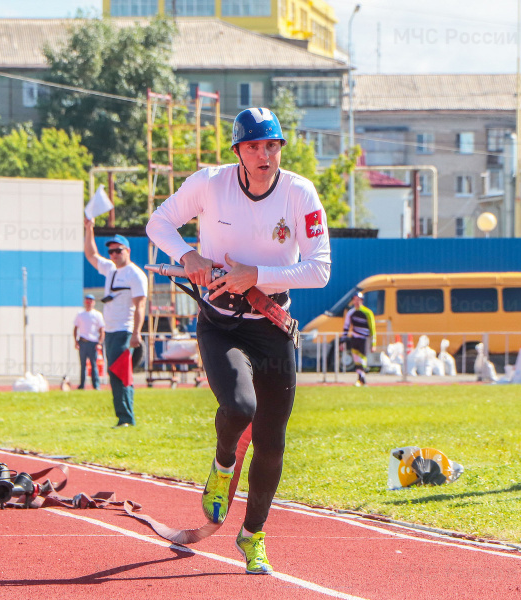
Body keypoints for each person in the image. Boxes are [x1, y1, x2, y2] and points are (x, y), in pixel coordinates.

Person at [146, 107, 331, 574]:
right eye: (253, 146)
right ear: (238, 152)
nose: (264, 155)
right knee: (239, 409)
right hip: (220, 322)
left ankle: (252, 537)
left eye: (271, 146)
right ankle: (223, 465)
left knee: (271, 442)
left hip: (271, 326)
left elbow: (320, 269)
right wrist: (186, 254)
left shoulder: (300, 193)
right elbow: (158, 222)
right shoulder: (210, 183)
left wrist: (258, 275)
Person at [84, 226, 147, 427]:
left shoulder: (135, 274)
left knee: (122, 374)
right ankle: (122, 417)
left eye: (118, 250)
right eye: (111, 251)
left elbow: (141, 305)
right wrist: (89, 229)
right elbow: (91, 254)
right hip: (110, 331)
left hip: (124, 330)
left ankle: (126, 418)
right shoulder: (110, 269)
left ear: (127, 251)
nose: (113, 254)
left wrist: (136, 333)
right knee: (114, 373)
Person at [342, 291, 377, 386]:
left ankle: (361, 379)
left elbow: (373, 329)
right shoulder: (351, 313)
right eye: (355, 300)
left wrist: (373, 344)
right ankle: (361, 379)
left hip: (364, 339)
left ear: (362, 300)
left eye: (358, 300)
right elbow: (346, 326)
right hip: (354, 338)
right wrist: (343, 341)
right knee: (356, 358)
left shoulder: (367, 312)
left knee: (362, 359)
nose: (357, 302)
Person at [73, 294, 105, 390]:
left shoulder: (97, 315)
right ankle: (82, 385)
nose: (89, 303)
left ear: (94, 303)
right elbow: (75, 328)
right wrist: (76, 341)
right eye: (87, 301)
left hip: (93, 342)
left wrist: (99, 342)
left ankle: (96, 385)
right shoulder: (80, 314)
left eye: (91, 301)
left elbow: (102, 330)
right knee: (82, 365)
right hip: (83, 341)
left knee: (93, 364)